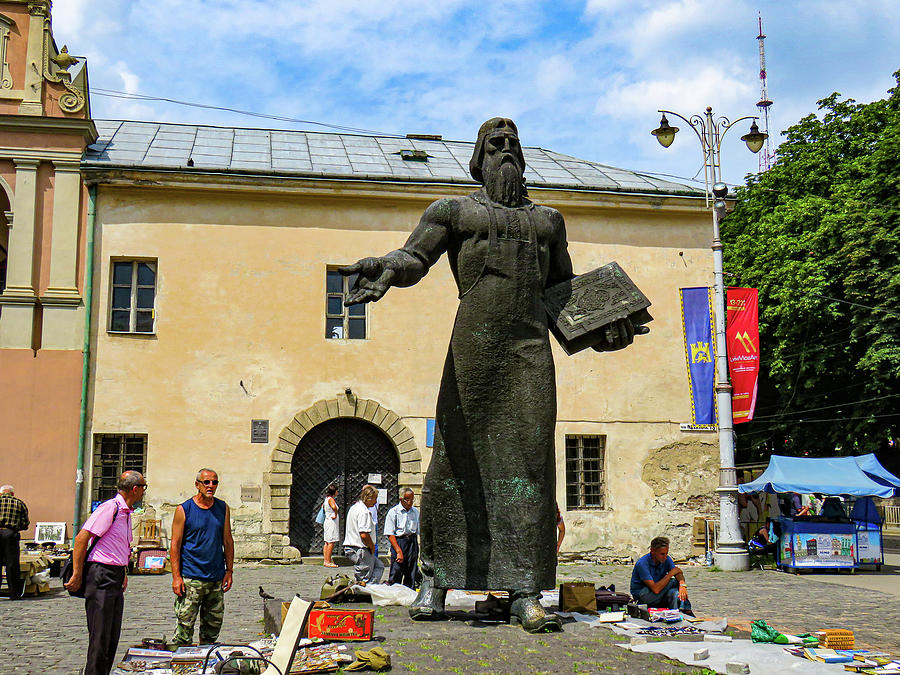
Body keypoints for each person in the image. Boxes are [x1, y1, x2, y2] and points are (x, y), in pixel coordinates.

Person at [340, 118, 645, 633]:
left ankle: (525, 591)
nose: (505, 152)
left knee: (529, 468)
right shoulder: (453, 211)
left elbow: (563, 292)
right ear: (478, 158)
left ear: (522, 157)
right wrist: (388, 269)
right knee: (454, 462)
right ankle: (435, 581)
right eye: (494, 145)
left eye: (512, 145)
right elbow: (416, 257)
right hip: (472, 351)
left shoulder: (549, 221)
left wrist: (606, 329)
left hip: (529, 353)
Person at [65, 471, 146, 675]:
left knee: (111, 636)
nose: (144, 491)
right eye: (144, 487)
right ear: (135, 489)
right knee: (100, 637)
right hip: (101, 574)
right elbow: (82, 539)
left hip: (115, 575)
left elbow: (119, 546)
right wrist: (77, 573)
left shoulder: (125, 512)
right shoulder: (110, 508)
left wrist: (124, 572)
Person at [169, 468, 234, 646]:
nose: (211, 486)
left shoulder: (222, 508)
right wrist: (176, 577)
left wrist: (229, 570)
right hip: (191, 578)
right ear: (197, 484)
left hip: (215, 578)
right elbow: (175, 544)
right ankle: (182, 666)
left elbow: (227, 540)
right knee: (184, 630)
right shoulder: (184, 509)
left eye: (214, 482)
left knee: (212, 630)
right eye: (206, 482)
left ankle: (205, 664)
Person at [629, 536, 691, 613]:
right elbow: (656, 589)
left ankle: (677, 614)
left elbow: (678, 572)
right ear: (652, 551)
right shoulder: (642, 563)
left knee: (676, 593)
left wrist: (682, 585)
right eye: (662, 554)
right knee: (673, 581)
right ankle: (686, 609)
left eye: (666, 554)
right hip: (643, 595)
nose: (665, 557)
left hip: (659, 592)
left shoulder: (666, 559)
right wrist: (670, 574)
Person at [343, 485, 384, 584]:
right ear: (368, 498)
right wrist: (371, 546)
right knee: (364, 575)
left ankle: (371, 587)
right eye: (375, 499)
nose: (375, 502)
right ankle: (365, 591)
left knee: (379, 566)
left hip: (354, 546)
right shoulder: (363, 512)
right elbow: (364, 534)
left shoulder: (354, 507)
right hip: (360, 548)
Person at [384, 488, 420, 587]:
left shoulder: (415, 512)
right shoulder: (394, 512)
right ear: (401, 499)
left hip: (412, 541)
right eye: (407, 500)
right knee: (397, 570)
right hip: (399, 541)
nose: (410, 503)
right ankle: (394, 589)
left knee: (411, 570)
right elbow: (390, 533)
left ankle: (409, 591)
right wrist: (398, 551)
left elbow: (418, 530)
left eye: (412, 500)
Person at [0, 485, 29, 601]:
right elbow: (25, 523)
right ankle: (14, 594)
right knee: (12, 565)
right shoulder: (19, 503)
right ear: (12, 494)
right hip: (11, 534)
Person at [322, 483, 340, 568]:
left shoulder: (326, 499)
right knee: (331, 542)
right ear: (334, 492)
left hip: (327, 521)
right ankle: (328, 561)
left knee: (327, 542)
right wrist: (336, 514)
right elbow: (334, 507)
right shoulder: (331, 499)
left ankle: (325, 560)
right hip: (332, 522)